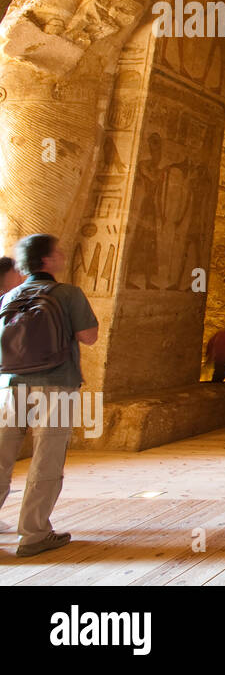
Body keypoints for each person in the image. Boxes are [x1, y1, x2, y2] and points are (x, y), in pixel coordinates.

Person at [0, 235, 98, 556]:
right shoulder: (68, 293)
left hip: (10, 385)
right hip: (56, 384)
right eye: (57, 252)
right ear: (46, 261)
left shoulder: (9, 295)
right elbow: (89, 337)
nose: (62, 255)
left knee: (1, 458)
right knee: (47, 458)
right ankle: (34, 533)